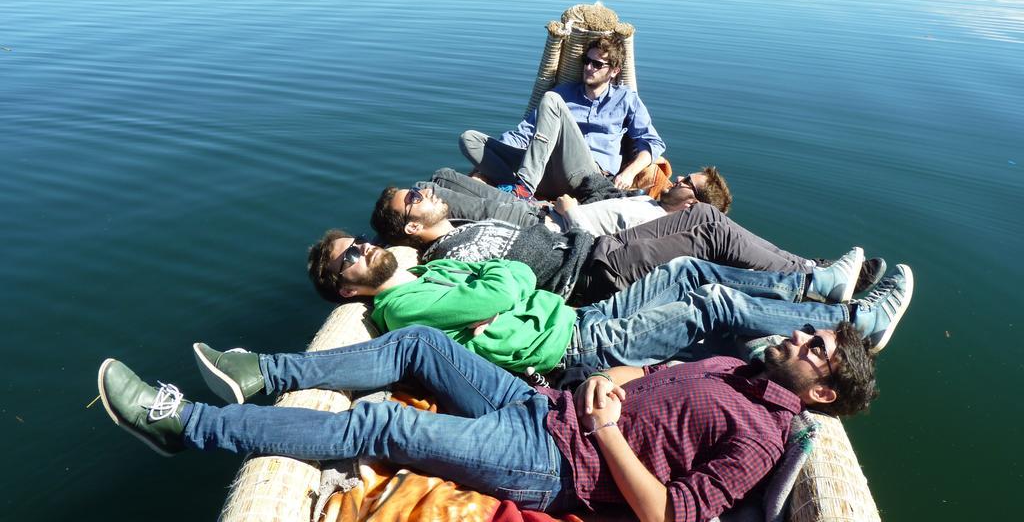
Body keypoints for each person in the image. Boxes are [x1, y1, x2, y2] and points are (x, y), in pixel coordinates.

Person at [97, 321, 878, 522]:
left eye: (817, 350)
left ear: (818, 394)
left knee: (383, 431)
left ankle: (186, 424)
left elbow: (670, 514)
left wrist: (605, 430)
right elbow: (652, 372)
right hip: (545, 405)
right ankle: (263, 373)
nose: (803, 339)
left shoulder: (764, 434)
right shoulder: (741, 365)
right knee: (420, 344)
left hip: (557, 461)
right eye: (813, 333)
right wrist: (610, 378)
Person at [307, 232, 912, 374]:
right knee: (710, 305)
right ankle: (857, 319)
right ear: (346, 289)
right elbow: (505, 284)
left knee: (686, 267)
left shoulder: (429, 270)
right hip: (572, 349)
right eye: (349, 258)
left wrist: (498, 290)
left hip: (575, 319)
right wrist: (496, 289)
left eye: (357, 242)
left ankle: (815, 287)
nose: (361, 247)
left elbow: (512, 276)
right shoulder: (401, 309)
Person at [370, 182, 883, 304]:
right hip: (592, 274)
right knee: (704, 227)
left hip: (590, 248)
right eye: (414, 199)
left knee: (702, 213)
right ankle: (816, 282)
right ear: (411, 230)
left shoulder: (458, 231)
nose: (428, 191)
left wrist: (571, 226)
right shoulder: (449, 257)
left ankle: (812, 271)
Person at [460, 36, 666, 200]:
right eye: (587, 61)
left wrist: (629, 172)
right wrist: (499, 154)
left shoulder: (625, 99)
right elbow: (524, 133)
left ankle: (524, 188)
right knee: (469, 139)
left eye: (597, 64)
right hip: (544, 171)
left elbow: (653, 142)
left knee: (551, 99)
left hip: (586, 175)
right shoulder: (565, 92)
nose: (588, 68)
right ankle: (521, 187)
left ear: (614, 71)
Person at [413, 166, 732, 237]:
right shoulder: (649, 203)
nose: (678, 180)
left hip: (540, 226)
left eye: (687, 183)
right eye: (684, 176)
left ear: (693, 204)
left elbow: (598, 251)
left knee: (426, 189)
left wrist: (569, 211)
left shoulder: (654, 226)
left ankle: (402, 225)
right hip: (539, 210)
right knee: (443, 175)